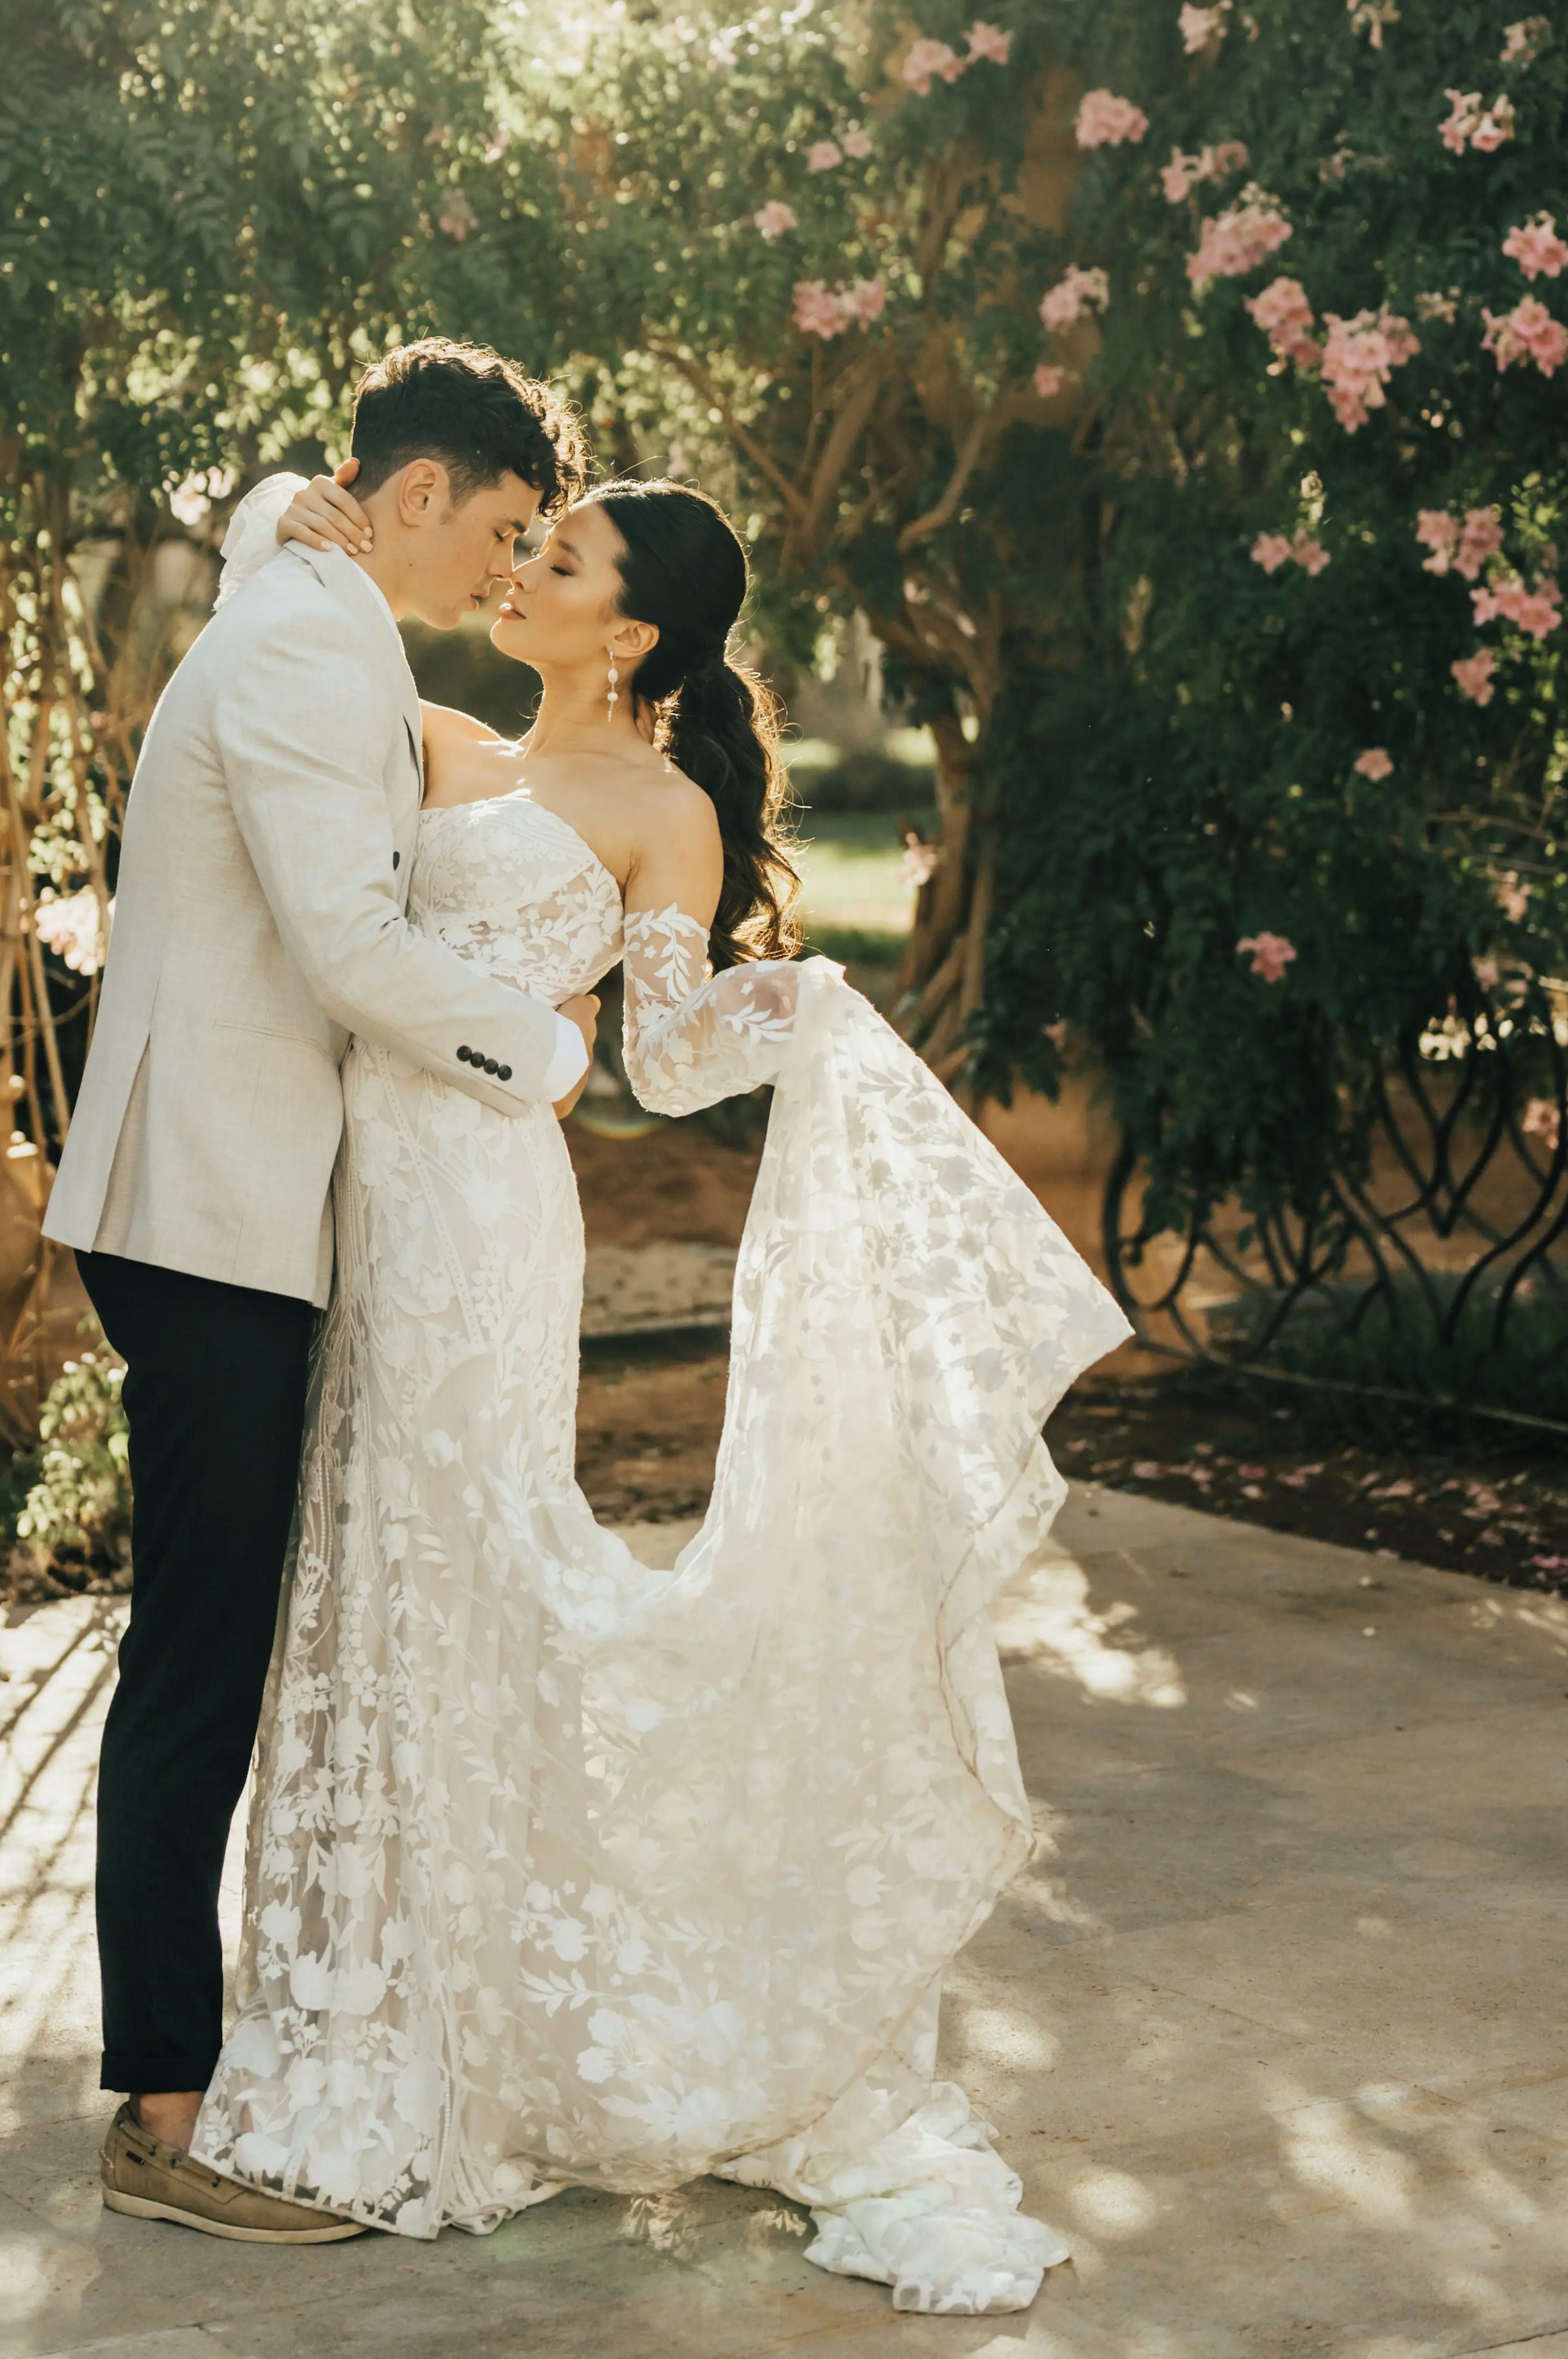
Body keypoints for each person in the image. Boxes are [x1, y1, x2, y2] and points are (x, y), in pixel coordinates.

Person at [187, 455, 1130, 2316]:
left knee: (476, 1568)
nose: (523, 566)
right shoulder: (449, 746)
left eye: (562, 555)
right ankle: (386, 1991)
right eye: (526, 542)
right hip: (355, 1195)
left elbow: (673, 1060)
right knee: (372, 1572)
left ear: (633, 629)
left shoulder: (663, 806)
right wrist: (287, 507)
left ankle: (507, 2031)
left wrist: (808, 1011)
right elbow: (310, 774)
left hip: (481, 1220)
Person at [40, 339, 602, 2246]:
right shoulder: (311, 638)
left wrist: (288, 494)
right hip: (208, 1208)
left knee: (214, 1640)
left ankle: (188, 2079)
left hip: (235, 1203)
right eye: (502, 530)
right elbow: (352, 943)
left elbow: (282, 527)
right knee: (198, 1654)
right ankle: (164, 2121)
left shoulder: (306, 584)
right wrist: (545, 1047)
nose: (504, 576)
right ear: (419, 497)